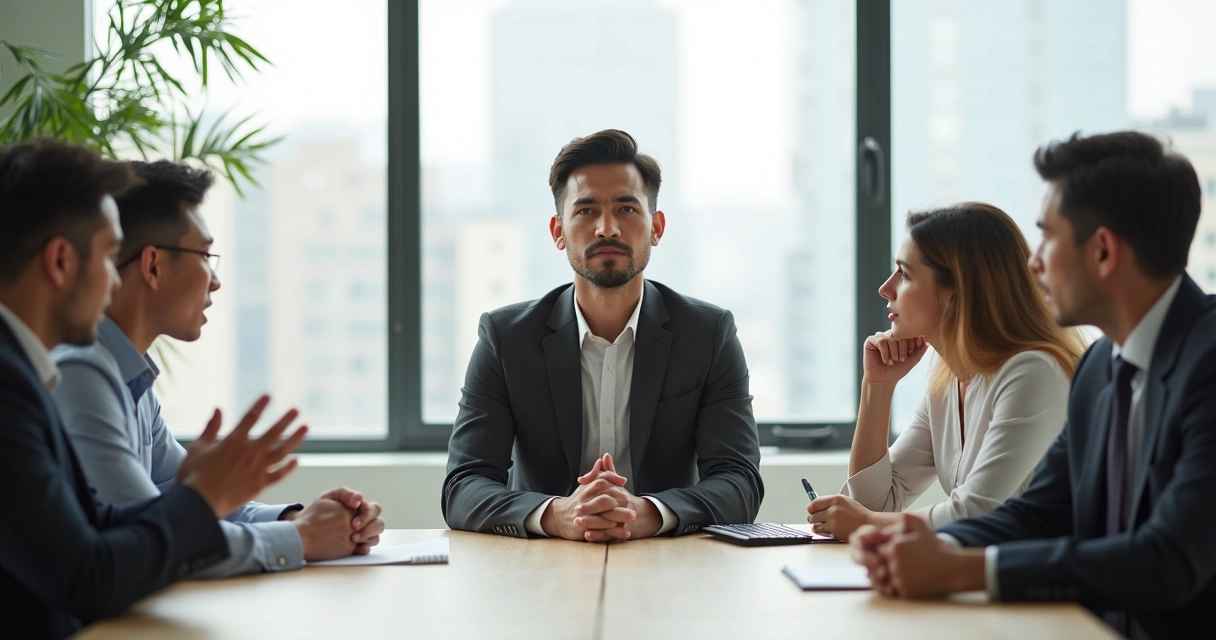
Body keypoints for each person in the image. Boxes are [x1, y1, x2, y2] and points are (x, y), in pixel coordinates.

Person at [850, 131, 1216, 640]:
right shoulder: (1101, 369)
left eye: (1047, 238)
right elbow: (1035, 513)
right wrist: (920, 543)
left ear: (1104, 251)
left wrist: (964, 569)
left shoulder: (1208, 362)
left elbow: (1170, 559)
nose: (1034, 262)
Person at [0, 139, 308, 639]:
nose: (116, 283)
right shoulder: (12, 386)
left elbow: (100, 523)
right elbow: (89, 575)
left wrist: (222, 501)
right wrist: (204, 500)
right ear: (59, 263)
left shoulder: (25, 375)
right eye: (106, 258)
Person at [50, 160, 386, 576]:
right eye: (205, 255)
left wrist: (299, 520)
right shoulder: (82, 373)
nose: (215, 280)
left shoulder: (130, 378)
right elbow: (156, 538)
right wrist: (303, 540)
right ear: (152, 266)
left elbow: (195, 507)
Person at [442, 129, 763, 541]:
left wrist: (645, 512)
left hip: (669, 563)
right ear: (558, 231)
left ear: (656, 227)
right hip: (540, 567)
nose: (606, 228)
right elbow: (462, 487)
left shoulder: (708, 334)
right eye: (586, 211)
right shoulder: (505, 339)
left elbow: (740, 481)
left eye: (627, 209)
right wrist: (558, 514)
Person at [806, 203, 1086, 541]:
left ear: (955, 293)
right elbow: (876, 503)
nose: (886, 288)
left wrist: (866, 523)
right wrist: (877, 387)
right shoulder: (949, 382)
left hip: (1044, 587)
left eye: (905, 274)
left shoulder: (1032, 373)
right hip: (986, 582)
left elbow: (976, 512)